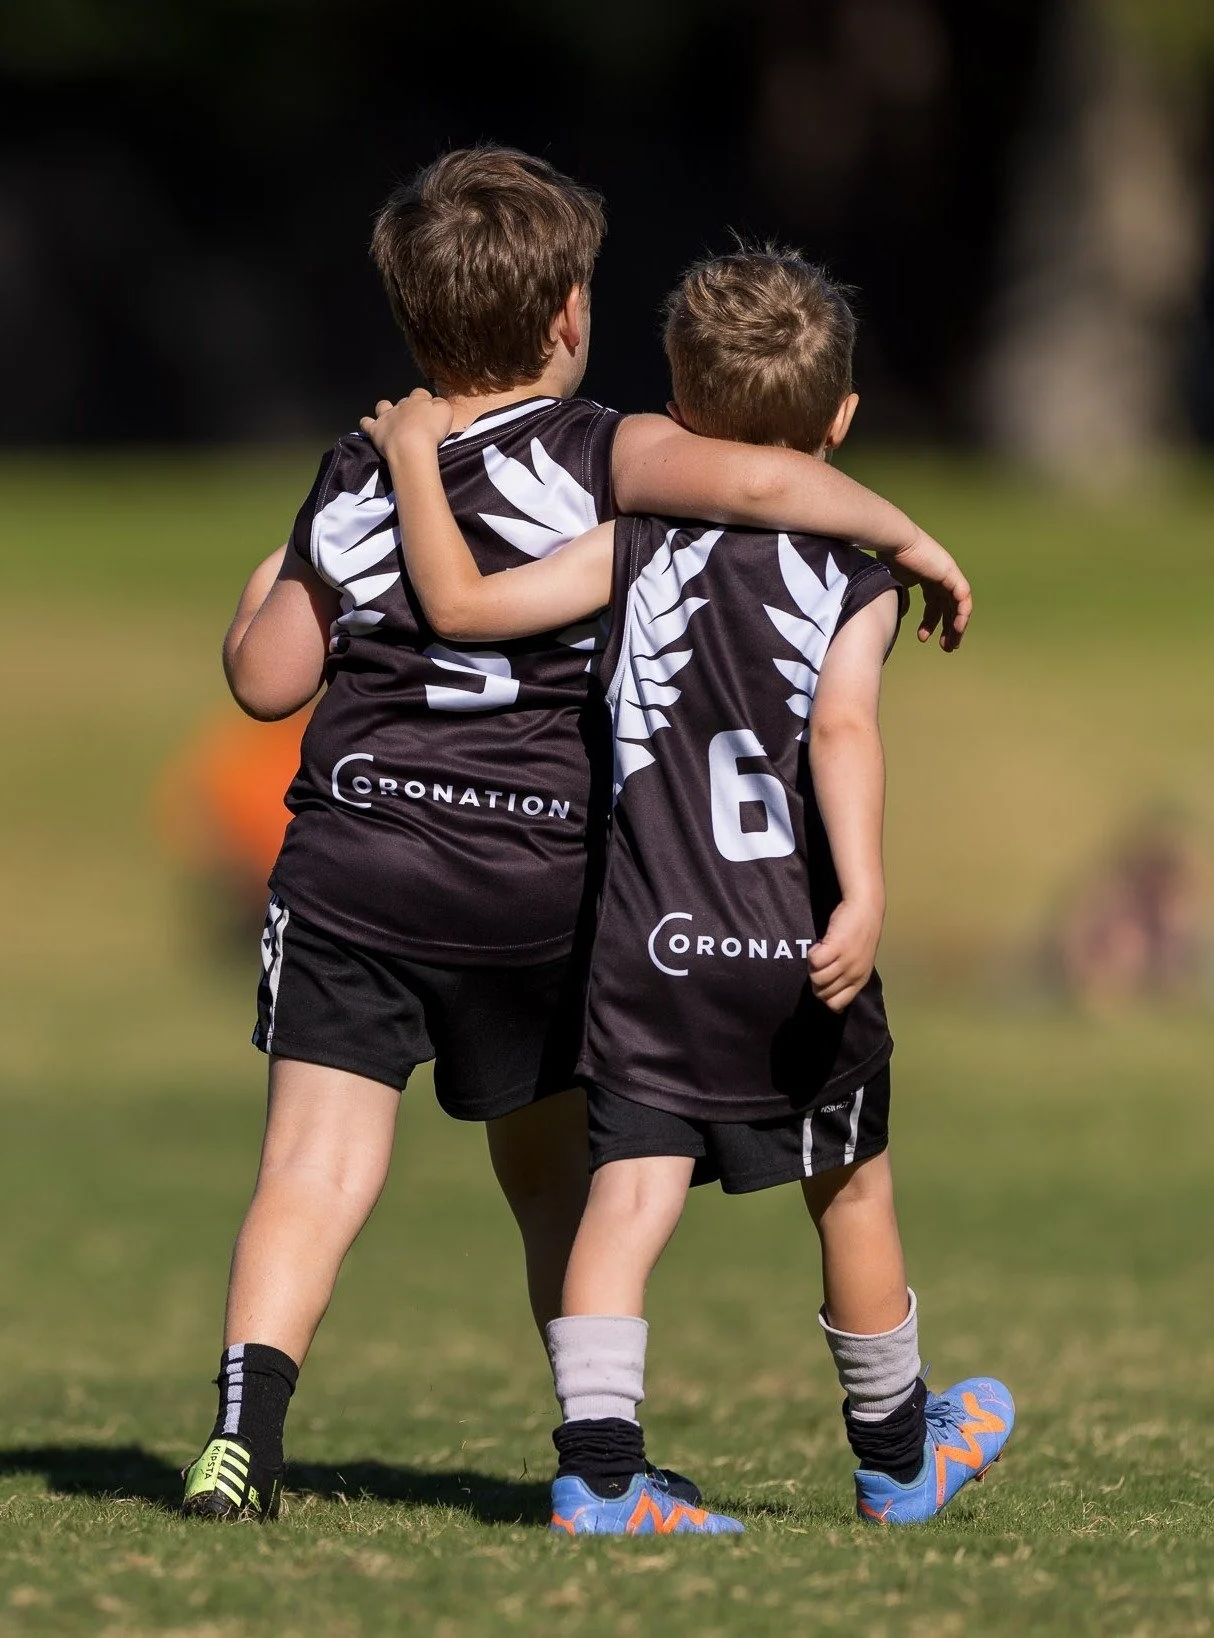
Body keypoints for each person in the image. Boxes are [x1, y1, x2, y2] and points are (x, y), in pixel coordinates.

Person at [183, 148, 973, 1522]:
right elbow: (771, 488)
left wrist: (275, 569)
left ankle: (242, 1438)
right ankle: (593, 1451)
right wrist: (908, 538)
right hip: (536, 877)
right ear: (565, 315)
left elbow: (264, 681)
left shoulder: (365, 468)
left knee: (312, 1167)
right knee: (552, 1169)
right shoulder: (605, 452)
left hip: (355, 863)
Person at [364, 245, 1011, 1535]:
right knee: (855, 1185)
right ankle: (896, 1460)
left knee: (631, 1195)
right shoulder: (857, 578)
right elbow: (842, 737)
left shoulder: (634, 543)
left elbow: (466, 607)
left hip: (649, 945)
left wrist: (412, 465)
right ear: (841, 422)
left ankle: (601, 1475)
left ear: (677, 401)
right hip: (797, 947)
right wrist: (865, 899)